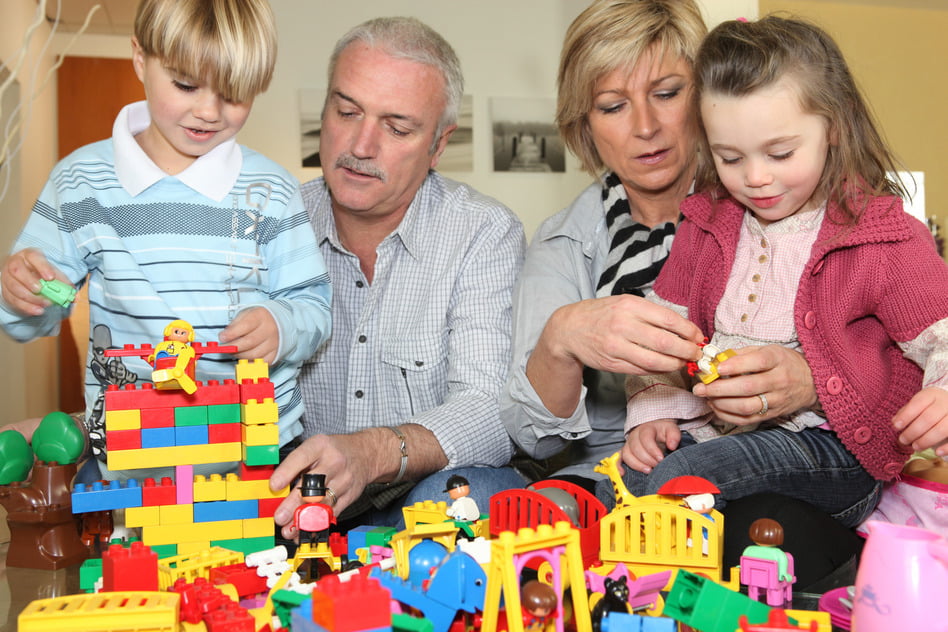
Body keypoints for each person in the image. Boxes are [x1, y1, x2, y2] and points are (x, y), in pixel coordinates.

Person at [499, 0, 857, 589]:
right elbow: (529, 437)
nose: (645, 126)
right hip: (610, 478)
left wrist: (811, 378)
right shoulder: (563, 243)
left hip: (773, 469)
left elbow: (891, 351)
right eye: (613, 106)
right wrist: (562, 338)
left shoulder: (777, 198)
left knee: (760, 536)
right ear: (583, 126)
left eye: (667, 93)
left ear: (710, 95)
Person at [618, 14, 948, 528]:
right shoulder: (706, 224)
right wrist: (653, 414)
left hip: (836, 451)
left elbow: (942, 332)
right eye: (729, 157)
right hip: (721, 438)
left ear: (833, 128)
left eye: (780, 153)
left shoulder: (882, 234)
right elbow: (661, 334)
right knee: (636, 474)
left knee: (677, 482)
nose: (755, 177)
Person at [0, 0, 331, 480]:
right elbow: (32, 321)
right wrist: (20, 294)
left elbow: (314, 307)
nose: (208, 111)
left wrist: (280, 324)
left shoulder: (273, 190)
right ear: (140, 58)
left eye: (233, 94)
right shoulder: (79, 182)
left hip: (258, 450)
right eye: (186, 85)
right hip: (134, 449)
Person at [270, 17, 526, 535]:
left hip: (419, 496)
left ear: (437, 144)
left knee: (475, 498)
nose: (361, 146)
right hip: (295, 498)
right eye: (346, 112)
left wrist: (373, 452)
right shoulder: (272, 225)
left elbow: (492, 411)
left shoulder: (484, 233)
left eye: (397, 127)